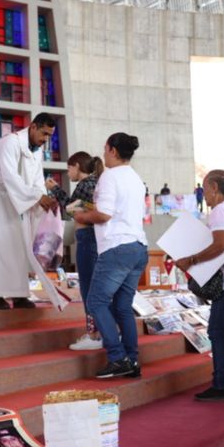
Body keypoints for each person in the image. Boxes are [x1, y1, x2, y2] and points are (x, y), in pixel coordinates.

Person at [0, 112, 66, 311]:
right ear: (34, 127)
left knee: (17, 243)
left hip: (14, 197)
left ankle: (19, 295)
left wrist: (43, 199)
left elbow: (37, 180)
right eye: (44, 134)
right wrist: (37, 197)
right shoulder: (9, 142)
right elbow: (10, 175)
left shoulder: (36, 150)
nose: (45, 140)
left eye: (49, 136)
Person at [176, 169, 224, 402]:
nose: (204, 194)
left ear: (213, 187)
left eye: (204, 188)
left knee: (216, 331)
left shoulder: (221, 211)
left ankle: (220, 384)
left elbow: (219, 245)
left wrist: (191, 260)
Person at [72, 132, 148, 379]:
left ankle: (117, 357)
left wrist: (81, 216)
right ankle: (132, 359)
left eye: (105, 149)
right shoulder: (135, 178)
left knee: (96, 302)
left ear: (114, 151)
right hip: (138, 247)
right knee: (123, 307)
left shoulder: (110, 176)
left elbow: (104, 214)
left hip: (117, 248)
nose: (103, 154)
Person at [46, 151, 105, 350]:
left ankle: (94, 334)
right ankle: (101, 332)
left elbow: (73, 211)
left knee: (88, 288)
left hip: (88, 239)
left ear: (77, 166)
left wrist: (55, 190)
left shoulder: (86, 185)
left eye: (69, 168)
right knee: (98, 288)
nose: (68, 172)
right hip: (97, 239)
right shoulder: (98, 182)